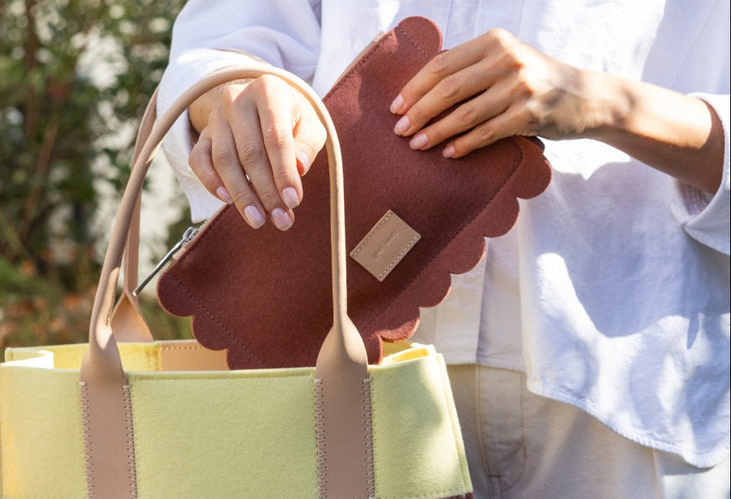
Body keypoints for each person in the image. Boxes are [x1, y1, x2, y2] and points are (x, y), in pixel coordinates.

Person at [157, 1, 730, 496]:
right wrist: (231, 92)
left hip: (620, 400)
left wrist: (608, 103)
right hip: (348, 387)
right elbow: (220, 44)